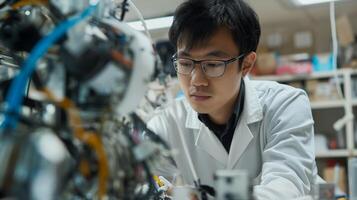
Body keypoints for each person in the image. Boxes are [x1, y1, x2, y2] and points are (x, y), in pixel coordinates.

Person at [147, 0, 318, 199]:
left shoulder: (286, 104)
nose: (196, 80)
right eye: (185, 63)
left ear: (246, 64)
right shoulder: (168, 122)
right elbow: (137, 179)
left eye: (212, 65)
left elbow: (286, 188)